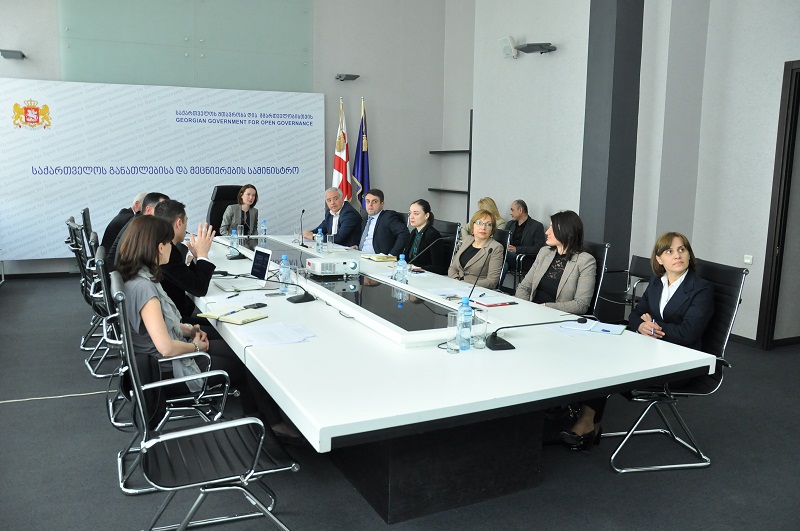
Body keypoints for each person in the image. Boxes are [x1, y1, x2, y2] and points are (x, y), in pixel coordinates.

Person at [116, 215, 301, 443]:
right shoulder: (145, 288)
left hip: (159, 362)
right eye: (168, 243)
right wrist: (195, 347)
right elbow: (166, 348)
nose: (172, 247)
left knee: (237, 352)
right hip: (167, 369)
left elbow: (157, 326)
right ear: (159, 247)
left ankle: (263, 423)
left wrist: (189, 331)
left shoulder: (136, 278)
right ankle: (268, 428)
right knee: (247, 365)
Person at [560, 231, 713, 451]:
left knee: (607, 363)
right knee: (599, 355)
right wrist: (641, 326)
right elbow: (636, 314)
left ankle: (587, 423)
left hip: (681, 363)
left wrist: (653, 327)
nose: (677, 255)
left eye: (682, 249)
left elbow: (688, 333)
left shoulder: (701, 289)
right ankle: (587, 421)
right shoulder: (657, 282)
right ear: (659, 259)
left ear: (689, 254)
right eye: (669, 251)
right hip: (651, 351)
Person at [515, 210, 596, 315]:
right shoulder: (544, 252)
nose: (547, 232)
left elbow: (581, 305)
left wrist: (544, 308)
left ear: (567, 232)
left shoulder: (585, 261)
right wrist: (527, 307)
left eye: (552, 228)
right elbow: (524, 287)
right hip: (531, 311)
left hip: (556, 316)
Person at [153, 199, 217, 321]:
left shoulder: (166, 247)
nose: (186, 227)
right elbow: (198, 288)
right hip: (176, 319)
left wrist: (198, 258)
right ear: (179, 223)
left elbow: (186, 277)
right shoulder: (166, 253)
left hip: (177, 313)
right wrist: (203, 255)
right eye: (186, 222)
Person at [108, 192, 169, 268]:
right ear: (148, 210)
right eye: (161, 210)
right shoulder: (142, 227)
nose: (165, 215)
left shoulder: (137, 221)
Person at [448, 209, 504, 288]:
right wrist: (456, 279)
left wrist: (463, 283)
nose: (483, 227)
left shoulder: (496, 248)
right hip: (456, 285)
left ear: (492, 229)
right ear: (472, 226)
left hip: (476, 290)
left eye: (488, 224)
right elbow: (453, 268)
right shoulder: (467, 240)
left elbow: (492, 282)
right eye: (479, 223)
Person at [357, 189, 410, 256]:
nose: (370, 204)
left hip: (377, 258)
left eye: (374, 201)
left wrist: (392, 255)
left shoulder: (388, 217)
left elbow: (404, 234)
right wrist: (356, 246)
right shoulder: (366, 219)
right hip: (360, 255)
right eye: (368, 201)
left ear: (382, 204)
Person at [403, 199, 446, 274]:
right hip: (410, 272)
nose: (411, 217)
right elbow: (407, 257)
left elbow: (438, 266)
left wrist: (419, 268)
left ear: (426, 215)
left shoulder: (433, 235)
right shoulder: (414, 232)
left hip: (425, 275)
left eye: (416, 214)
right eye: (410, 213)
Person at [504, 199, 546, 274]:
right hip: (509, 257)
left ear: (520, 210)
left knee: (498, 257)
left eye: (512, 210)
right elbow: (503, 241)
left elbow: (538, 248)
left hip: (525, 259)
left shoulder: (537, 226)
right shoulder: (510, 224)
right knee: (501, 263)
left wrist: (517, 249)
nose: (510, 213)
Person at [219, 184, 259, 250]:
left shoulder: (254, 211)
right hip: (232, 243)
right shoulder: (231, 208)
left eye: (253, 195)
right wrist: (236, 240)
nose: (251, 197)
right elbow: (223, 230)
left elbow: (254, 230)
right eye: (248, 194)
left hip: (249, 244)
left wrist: (254, 245)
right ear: (241, 195)